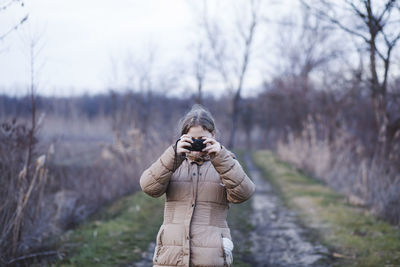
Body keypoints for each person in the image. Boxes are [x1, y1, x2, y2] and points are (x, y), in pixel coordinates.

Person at [140, 104, 256, 267]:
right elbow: (148, 187)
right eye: (192, 140)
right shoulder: (172, 161)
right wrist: (173, 155)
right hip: (171, 256)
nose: (197, 146)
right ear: (182, 137)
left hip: (210, 257)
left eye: (201, 140)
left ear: (213, 135)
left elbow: (244, 193)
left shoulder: (225, 162)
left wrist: (221, 158)